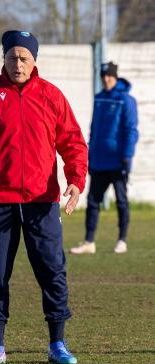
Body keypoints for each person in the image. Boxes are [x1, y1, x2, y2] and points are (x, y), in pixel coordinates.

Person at [0, 30, 88, 364]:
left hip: (42, 202)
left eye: (24, 57)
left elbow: (73, 142)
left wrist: (75, 180)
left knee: (52, 271)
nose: (18, 63)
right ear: (4, 59)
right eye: (12, 57)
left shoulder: (51, 96)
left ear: (35, 61)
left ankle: (58, 344)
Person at [70, 61, 138, 255]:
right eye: (104, 76)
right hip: (99, 161)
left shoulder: (126, 100)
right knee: (92, 201)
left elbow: (131, 130)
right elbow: (94, 130)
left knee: (121, 202)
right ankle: (89, 242)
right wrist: (89, 155)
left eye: (109, 76)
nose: (106, 79)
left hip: (118, 162)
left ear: (115, 77)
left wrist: (127, 156)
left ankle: (122, 240)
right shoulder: (99, 98)